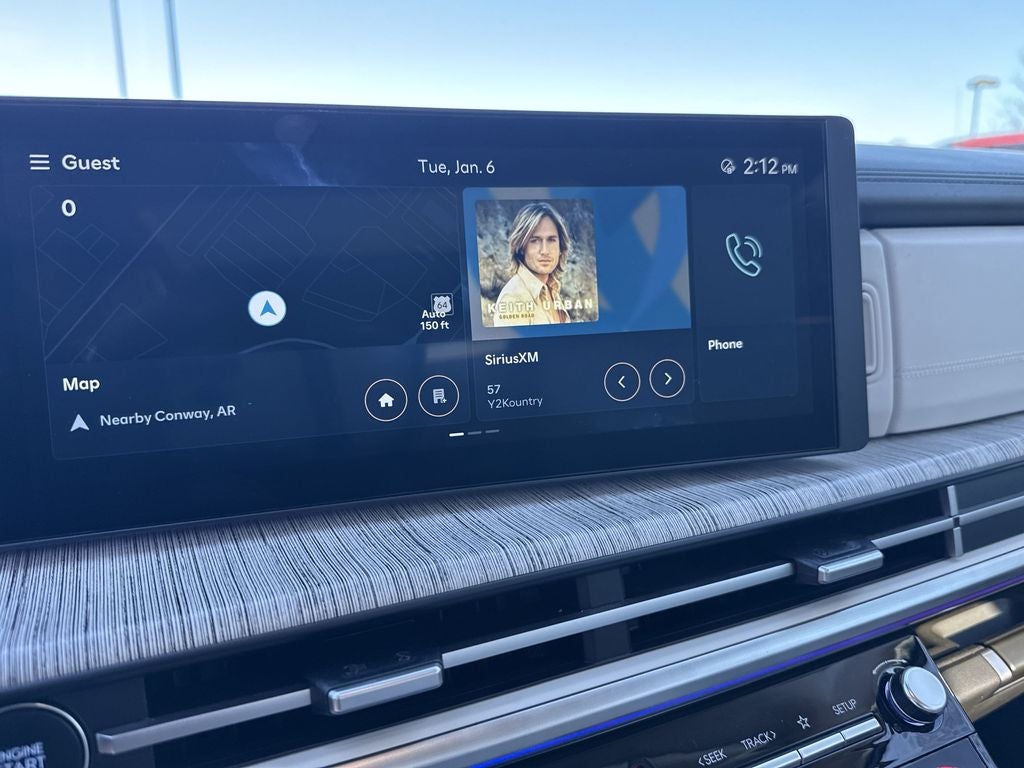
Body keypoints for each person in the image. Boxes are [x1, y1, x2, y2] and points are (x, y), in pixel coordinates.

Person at [492, 202, 571, 326]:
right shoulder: (513, 298)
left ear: (561, 247)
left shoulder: (551, 288)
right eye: (535, 241)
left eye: (551, 240)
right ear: (521, 248)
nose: (544, 251)